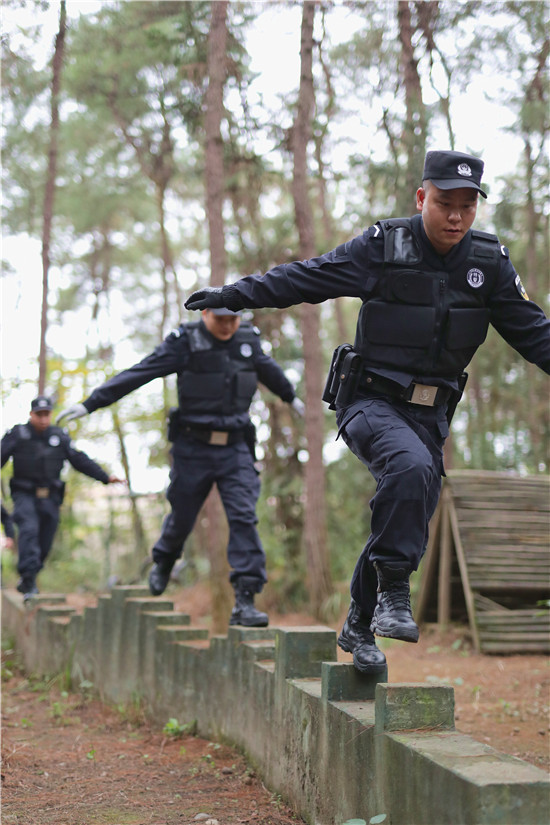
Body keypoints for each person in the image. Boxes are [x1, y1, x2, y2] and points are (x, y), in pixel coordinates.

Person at [184, 150, 550, 673]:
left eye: (467, 207)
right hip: (370, 401)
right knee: (411, 470)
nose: (455, 217)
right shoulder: (386, 246)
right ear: (422, 197)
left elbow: (535, 333)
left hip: (431, 415)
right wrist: (233, 296)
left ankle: (358, 621)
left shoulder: (488, 263)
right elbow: (308, 277)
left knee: (409, 501)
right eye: (445, 203)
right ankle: (393, 595)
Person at [57, 307, 304, 627]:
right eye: (221, 319)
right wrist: (91, 403)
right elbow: (140, 372)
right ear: (204, 313)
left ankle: (245, 600)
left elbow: (268, 370)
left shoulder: (247, 341)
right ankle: (164, 558)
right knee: (183, 515)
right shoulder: (184, 342)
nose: (229, 325)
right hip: (193, 448)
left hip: (235, 448)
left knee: (244, 516)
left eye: (234, 318)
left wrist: (291, 397)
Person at [1, 395, 124, 601]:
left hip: (50, 497)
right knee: (29, 530)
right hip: (25, 495)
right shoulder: (18, 434)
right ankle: (29, 580)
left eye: (46, 414)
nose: (42, 419)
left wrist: (105, 476)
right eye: (38, 415)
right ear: (31, 415)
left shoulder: (59, 436)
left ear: (51, 414)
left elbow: (79, 460)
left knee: (45, 540)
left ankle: (29, 576)